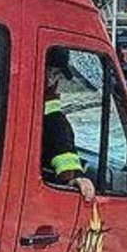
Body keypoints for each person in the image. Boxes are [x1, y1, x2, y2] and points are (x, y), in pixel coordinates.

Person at [42, 49, 96, 202]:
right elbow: (67, 170)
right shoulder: (55, 124)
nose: (56, 82)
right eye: (54, 74)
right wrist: (77, 178)